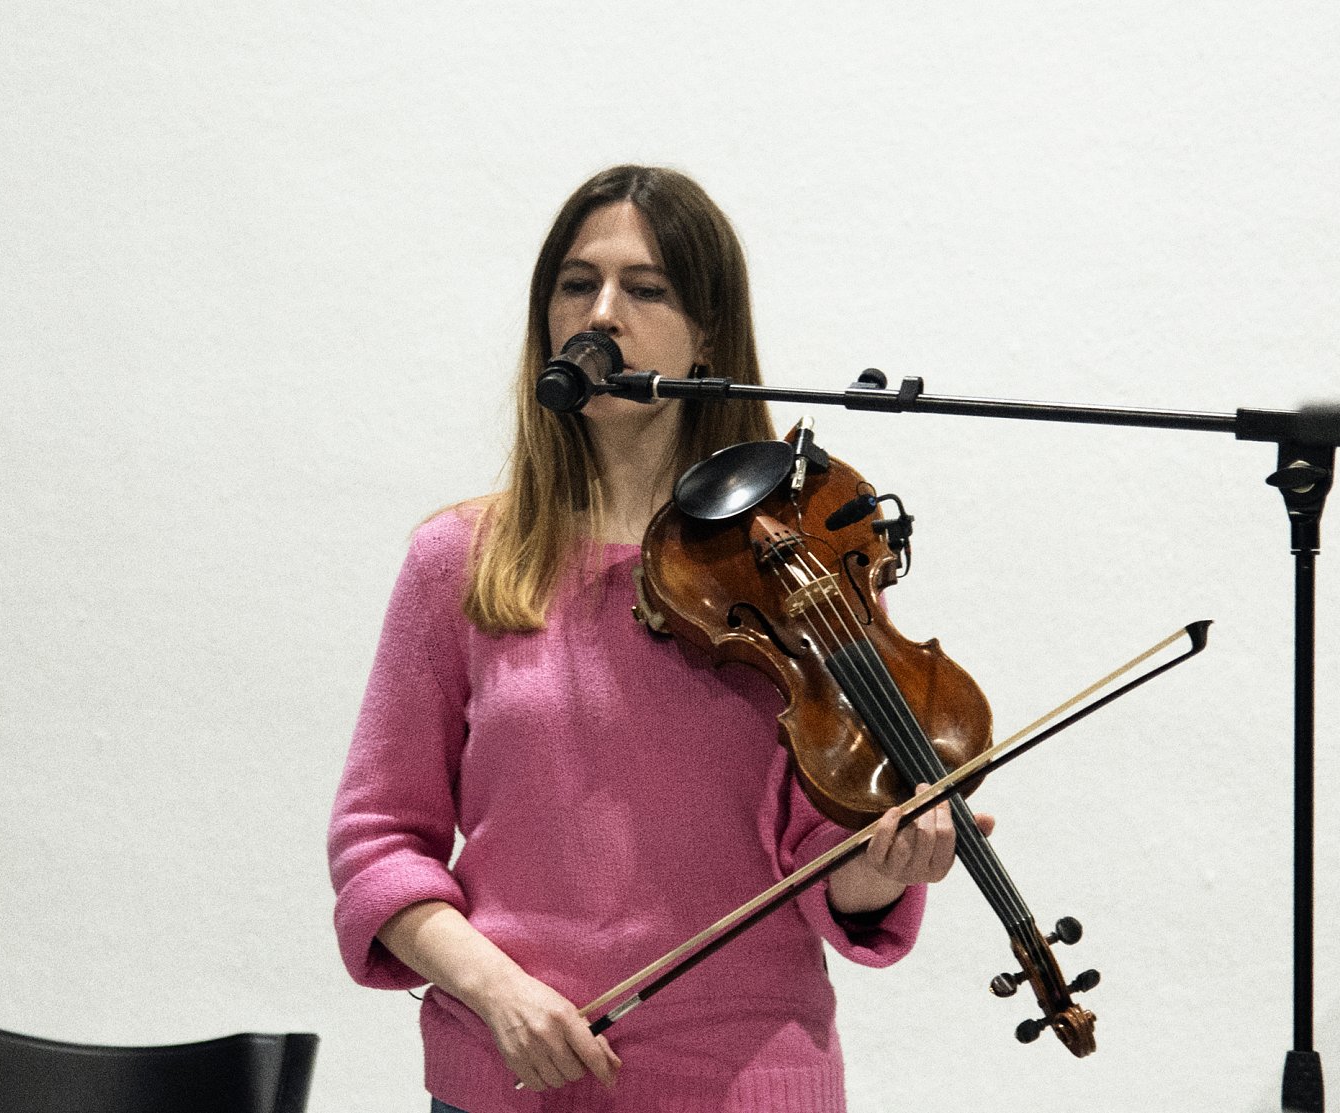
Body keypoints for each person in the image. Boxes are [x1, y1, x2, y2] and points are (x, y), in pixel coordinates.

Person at [328, 164, 992, 1113]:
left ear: (707, 330)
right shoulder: (459, 562)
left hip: (745, 1081)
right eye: (575, 283)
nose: (601, 312)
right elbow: (377, 837)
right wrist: (496, 989)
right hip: (509, 1080)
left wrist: (875, 869)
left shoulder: (788, 563)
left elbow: (822, 842)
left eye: (646, 289)